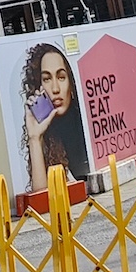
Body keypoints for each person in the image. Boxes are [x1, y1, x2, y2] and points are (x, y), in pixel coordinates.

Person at [21, 43, 90, 187]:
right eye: (47, 79)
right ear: (38, 87)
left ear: (72, 82)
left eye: (61, 77)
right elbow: (41, 201)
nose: (55, 89)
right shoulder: (48, 138)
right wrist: (34, 138)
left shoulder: (86, 126)